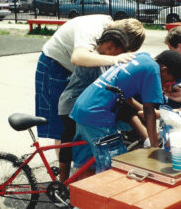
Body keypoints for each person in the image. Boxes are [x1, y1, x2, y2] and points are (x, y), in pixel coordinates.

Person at [35, 15, 145, 158]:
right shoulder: (91, 29)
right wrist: (114, 59)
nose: (121, 54)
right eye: (122, 50)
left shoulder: (108, 34)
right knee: (62, 128)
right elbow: (78, 57)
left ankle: (79, 164)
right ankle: (64, 177)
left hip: (79, 69)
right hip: (56, 66)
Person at [70, 50, 181, 173]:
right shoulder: (153, 70)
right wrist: (155, 147)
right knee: (116, 168)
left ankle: (73, 191)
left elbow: (127, 97)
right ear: (163, 70)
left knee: (87, 166)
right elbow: (149, 111)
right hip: (97, 116)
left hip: (83, 107)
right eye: (168, 81)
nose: (166, 86)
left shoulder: (142, 56)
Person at [57, 28, 145, 182]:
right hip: (72, 105)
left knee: (84, 149)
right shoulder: (95, 61)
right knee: (69, 145)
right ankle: (61, 182)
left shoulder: (102, 60)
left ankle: (76, 180)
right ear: (110, 46)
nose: (119, 57)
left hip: (83, 106)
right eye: (120, 52)